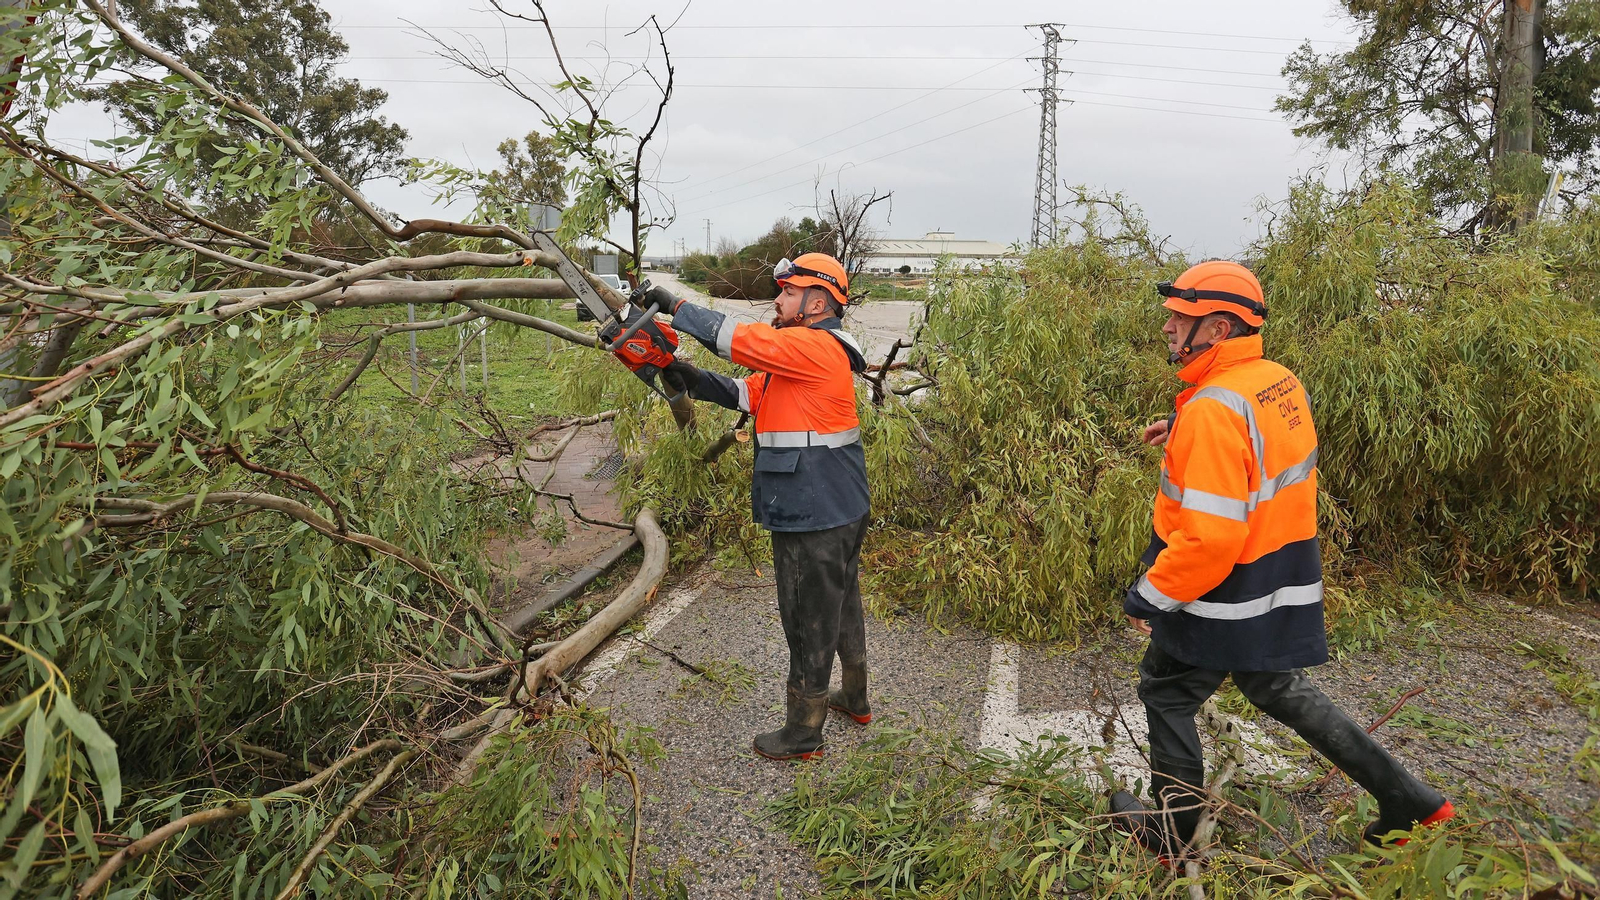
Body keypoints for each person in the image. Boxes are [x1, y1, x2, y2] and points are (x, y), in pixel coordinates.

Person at [1112, 260, 1454, 855]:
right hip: (1274, 570)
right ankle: (1412, 801)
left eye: (1180, 317)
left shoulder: (1217, 408)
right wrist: (1184, 425)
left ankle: (1172, 834)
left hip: (1220, 586)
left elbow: (1210, 538)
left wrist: (1151, 594)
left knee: (1167, 690)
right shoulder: (1273, 380)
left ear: (1217, 331)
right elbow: (1264, 449)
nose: (1168, 326)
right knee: (1274, 684)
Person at [652, 252, 871, 760]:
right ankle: (855, 697)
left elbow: (741, 341)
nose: (777, 299)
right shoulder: (804, 356)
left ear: (816, 302)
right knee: (841, 605)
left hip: (811, 510)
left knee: (806, 618)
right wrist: (685, 374)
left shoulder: (813, 345)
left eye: (787, 292)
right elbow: (748, 392)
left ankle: (802, 732)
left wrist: (677, 305)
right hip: (841, 503)